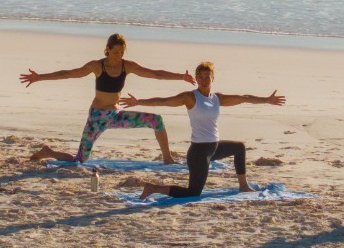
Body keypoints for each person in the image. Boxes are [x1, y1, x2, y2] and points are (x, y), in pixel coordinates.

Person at [22, 33, 192, 164]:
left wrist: (181, 77)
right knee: (79, 161)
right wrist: (40, 77)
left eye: (121, 52)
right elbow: (69, 74)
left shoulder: (127, 66)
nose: (118, 56)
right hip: (98, 117)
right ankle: (48, 152)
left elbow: (155, 74)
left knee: (157, 120)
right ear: (108, 49)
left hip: (117, 115)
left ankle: (167, 158)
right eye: (115, 52)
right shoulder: (97, 66)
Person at [128, 61, 286, 198]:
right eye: (201, 77)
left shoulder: (217, 98)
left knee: (239, 148)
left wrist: (266, 100)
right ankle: (153, 188)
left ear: (213, 78)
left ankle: (243, 185)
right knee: (193, 192)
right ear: (196, 79)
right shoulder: (190, 97)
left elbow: (243, 98)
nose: (204, 80)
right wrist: (139, 101)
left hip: (214, 148)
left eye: (207, 76)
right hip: (199, 152)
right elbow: (164, 101)